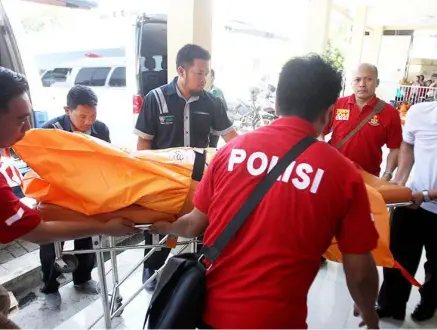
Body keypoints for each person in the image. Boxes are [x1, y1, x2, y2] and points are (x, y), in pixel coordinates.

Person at [150, 54, 380, 329]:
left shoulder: (230, 152)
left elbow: (194, 224)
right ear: (329, 113)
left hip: (211, 315)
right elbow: (360, 270)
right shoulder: (343, 174)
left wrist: (163, 225)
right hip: (277, 321)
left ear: (276, 103)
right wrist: (368, 310)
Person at [0, 63, 138, 329]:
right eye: (20, 120)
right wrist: (105, 226)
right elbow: (38, 232)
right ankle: (50, 287)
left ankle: (80, 277)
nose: (28, 127)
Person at [134, 44, 238, 291]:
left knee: (202, 228)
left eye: (207, 73)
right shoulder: (156, 99)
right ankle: (153, 268)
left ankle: (198, 272)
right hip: (165, 181)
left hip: (200, 181)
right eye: (199, 73)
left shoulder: (212, 102)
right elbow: (143, 144)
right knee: (162, 229)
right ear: (182, 70)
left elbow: (232, 139)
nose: (204, 79)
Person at [39, 85, 111, 308]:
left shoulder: (101, 129)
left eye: (93, 116)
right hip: (57, 196)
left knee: (86, 238)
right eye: (83, 116)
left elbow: (109, 161)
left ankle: (83, 279)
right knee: (52, 243)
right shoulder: (50, 130)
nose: (89, 121)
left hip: (87, 195)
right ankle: (50, 286)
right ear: (67, 110)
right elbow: (40, 166)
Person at [376, 101, 437, 322]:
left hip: (427, 200)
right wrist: (400, 182)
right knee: (398, 257)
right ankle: (391, 305)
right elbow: (408, 144)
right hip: (412, 201)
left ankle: (429, 302)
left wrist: (428, 195)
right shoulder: (419, 112)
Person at [323, 63, 402, 180]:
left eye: (369, 79)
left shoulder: (390, 113)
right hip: (333, 171)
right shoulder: (337, 104)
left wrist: (387, 174)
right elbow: (319, 132)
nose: (362, 84)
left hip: (367, 177)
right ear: (351, 82)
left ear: (377, 82)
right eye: (357, 79)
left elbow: (395, 148)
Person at [209, 69, 227, 148]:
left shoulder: (218, 91)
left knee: (212, 148)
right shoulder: (198, 92)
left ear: (213, 78)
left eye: (210, 77)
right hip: (202, 128)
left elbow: (224, 108)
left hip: (214, 129)